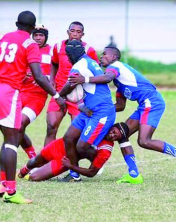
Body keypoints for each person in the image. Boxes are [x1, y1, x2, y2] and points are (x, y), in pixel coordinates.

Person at [68, 46, 176, 183]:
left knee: (144, 141)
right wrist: (97, 111)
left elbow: (107, 78)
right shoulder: (119, 81)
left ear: (114, 57)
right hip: (143, 105)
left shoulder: (115, 67)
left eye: (105, 54)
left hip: (152, 102)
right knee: (121, 133)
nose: (101, 56)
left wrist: (85, 79)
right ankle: (134, 175)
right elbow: (120, 106)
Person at [0, 11, 66, 204]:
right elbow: (38, 76)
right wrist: (57, 95)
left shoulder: (3, 37)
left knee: (8, 137)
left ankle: (3, 184)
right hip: (8, 92)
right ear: (33, 28)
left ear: (16, 23)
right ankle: (10, 191)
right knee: (12, 140)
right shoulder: (29, 44)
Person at [0, 24, 52, 172]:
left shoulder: (52, 52)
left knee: (19, 125)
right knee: (15, 127)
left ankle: (7, 162)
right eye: (36, 35)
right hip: (19, 93)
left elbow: (56, 71)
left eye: (41, 35)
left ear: (46, 37)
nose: (38, 38)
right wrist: (22, 75)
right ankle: (31, 157)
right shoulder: (26, 47)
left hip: (37, 98)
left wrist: (48, 79)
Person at [57, 40, 116, 182]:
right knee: (69, 138)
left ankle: (97, 163)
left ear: (70, 55)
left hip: (102, 112)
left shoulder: (78, 65)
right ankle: (74, 175)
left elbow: (70, 85)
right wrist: (81, 105)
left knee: (82, 146)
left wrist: (59, 96)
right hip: (88, 110)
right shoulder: (90, 61)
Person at [44, 21, 99, 146]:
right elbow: (54, 63)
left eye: (78, 32)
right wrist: (52, 79)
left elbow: (96, 70)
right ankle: (46, 161)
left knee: (76, 132)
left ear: (82, 34)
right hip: (59, 92)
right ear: (67, 32)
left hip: (78, 95)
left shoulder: (89, 50)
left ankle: (71, 162)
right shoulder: (58, 46)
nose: (75, 34)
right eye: (72, 31)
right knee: (51, 127)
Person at [18, 123, 128, 181]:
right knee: (35, 162)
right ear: (111, 127)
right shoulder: (97, 126)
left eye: (116, 136)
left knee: (34, 178)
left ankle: (36, 172)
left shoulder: (106, 150)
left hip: (66, 160)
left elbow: (92, 173)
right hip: (59, 145)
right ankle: (23, 171)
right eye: (113, 132)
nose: (112, 135)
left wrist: (71, 166)